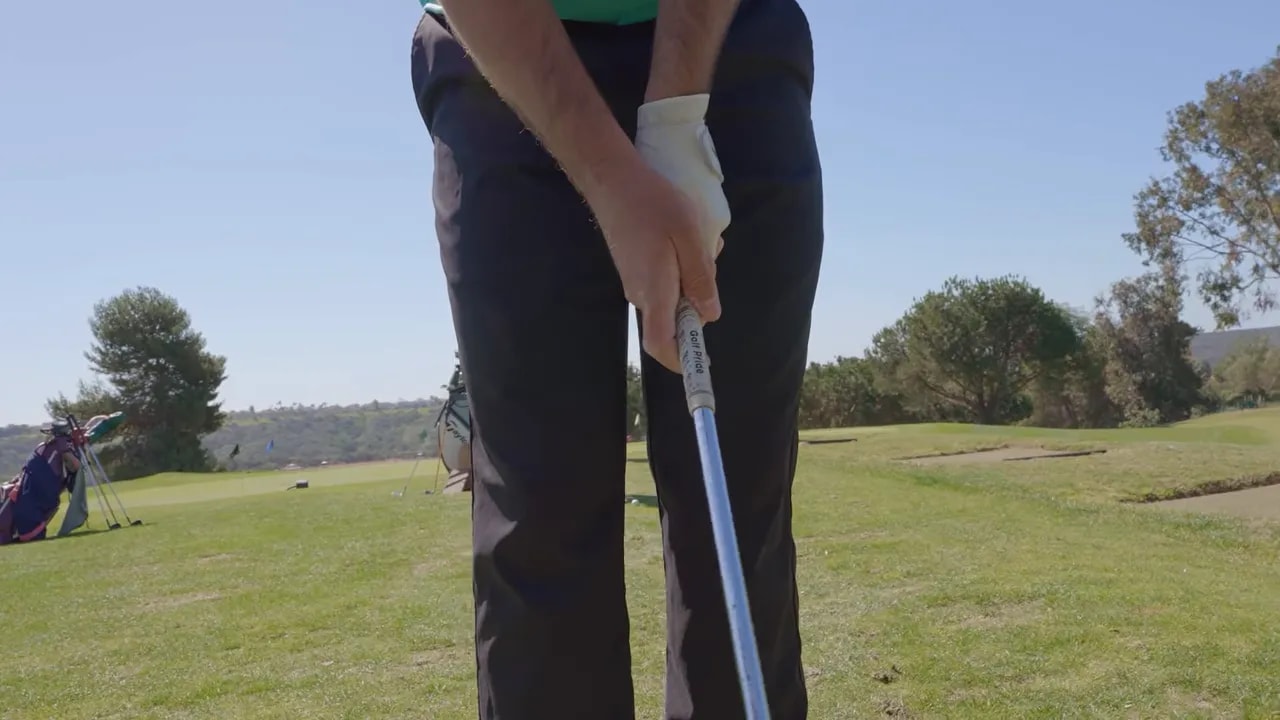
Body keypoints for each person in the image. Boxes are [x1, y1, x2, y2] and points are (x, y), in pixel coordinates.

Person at [409, 0, 823, 717]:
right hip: (504, 56)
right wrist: (612, 177)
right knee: (540, 511)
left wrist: (674, 117)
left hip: (729, 40)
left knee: (732, 503)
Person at [3, 420, 81, 544]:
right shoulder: (57, 446)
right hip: (40, 491)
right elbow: (77, 466)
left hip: (35, 490)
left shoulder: (44, 447)